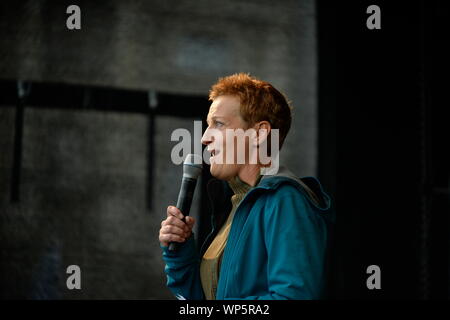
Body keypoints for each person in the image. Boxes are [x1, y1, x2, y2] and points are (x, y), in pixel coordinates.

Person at [159, 73, 334, 300]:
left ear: (259, 134)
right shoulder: (237, 204)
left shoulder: (285, 200)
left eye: (218, 124)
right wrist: (180, 251)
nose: (204, 137)